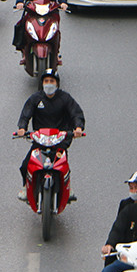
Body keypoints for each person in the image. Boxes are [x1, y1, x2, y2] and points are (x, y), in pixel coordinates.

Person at [14, 68, 85, 200]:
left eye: (52, 81)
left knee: (62, 165)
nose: (49, 84)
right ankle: (26, 187)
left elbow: (76, 113)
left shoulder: (65, 98)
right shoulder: (36, 98)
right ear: (42, 83)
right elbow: (25, 114)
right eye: (46, 81)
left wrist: (78, 128)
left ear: (57, 83)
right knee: (25, 165)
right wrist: (22, 128)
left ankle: (67, 188)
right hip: (40, 139)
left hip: (60, 140)